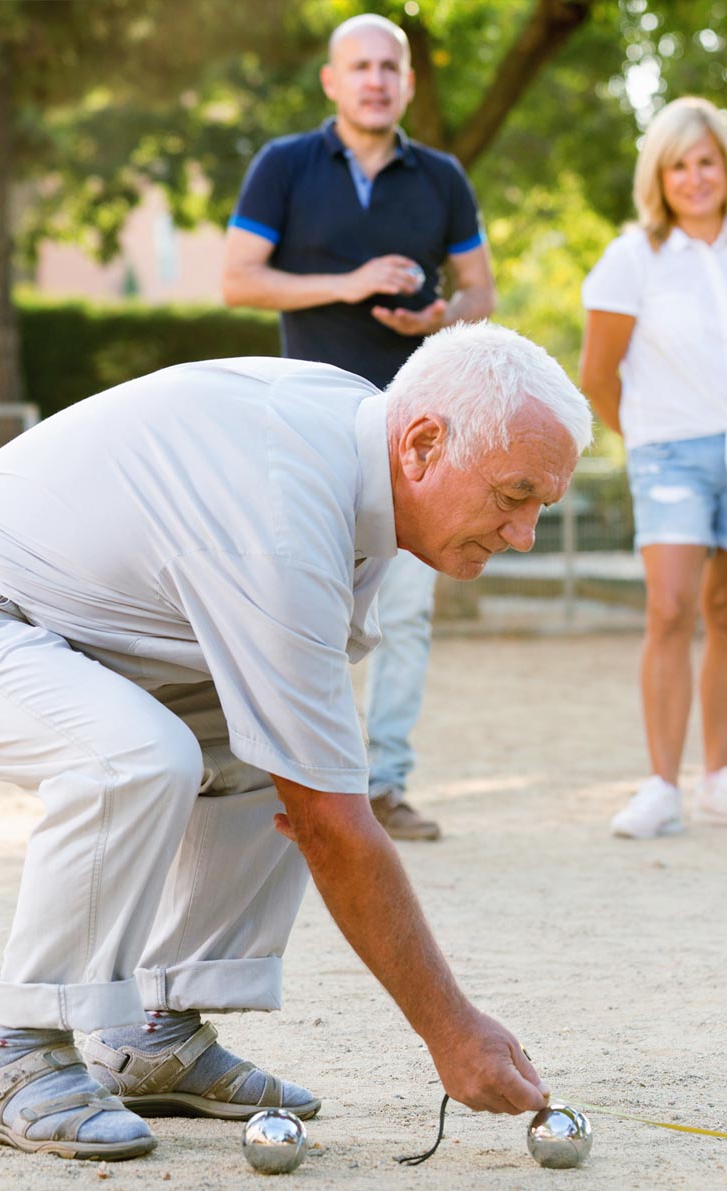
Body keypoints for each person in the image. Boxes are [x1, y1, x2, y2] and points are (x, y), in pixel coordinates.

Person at [0, 323, 592, 1160]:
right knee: (138, 758)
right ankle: (15, 1050)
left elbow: (308, 758)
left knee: (278, 749)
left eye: (540, 507)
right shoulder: (284, 507)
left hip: (60, 625)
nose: (522, 532)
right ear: (423, 445)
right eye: (512, 494)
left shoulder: (356, 455)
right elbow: (332, 822)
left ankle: (154, 1037)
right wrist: (452, 1030)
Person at [221, 12, 497, 841]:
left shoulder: (442, 177)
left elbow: (483, 288)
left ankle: (383, 786)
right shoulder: (285, 166)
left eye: (391, 66)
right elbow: (238, 281)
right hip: (303, 426)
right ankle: (304, 786)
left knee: (405, 614)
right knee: (299, 608)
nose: (377, 78)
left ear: (408, 82)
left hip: (421, 436)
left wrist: (446, 316)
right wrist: (349, 284)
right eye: (361, 66)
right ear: (332, 82)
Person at [580, 96, 727, 839]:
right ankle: (660, 786)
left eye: (706, 160)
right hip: (669, 453)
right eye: (679, 164)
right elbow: (599, 373)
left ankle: (722, 776)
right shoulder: (631, 258)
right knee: (670, 608)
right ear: (659, 175)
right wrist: (647, 439)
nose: (695, 176)